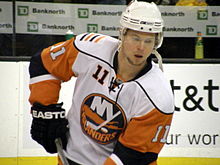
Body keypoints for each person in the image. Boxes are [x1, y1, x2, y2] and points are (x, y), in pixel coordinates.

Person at [28, 0, 174, 164]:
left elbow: (132, 156)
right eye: (135, 38)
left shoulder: (159, 97)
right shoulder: (89, 48)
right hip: (70, 157)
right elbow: (43, 63)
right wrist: (45, 111)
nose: (141, 47)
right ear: (122, 34)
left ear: (157, 42)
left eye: (148, 41)